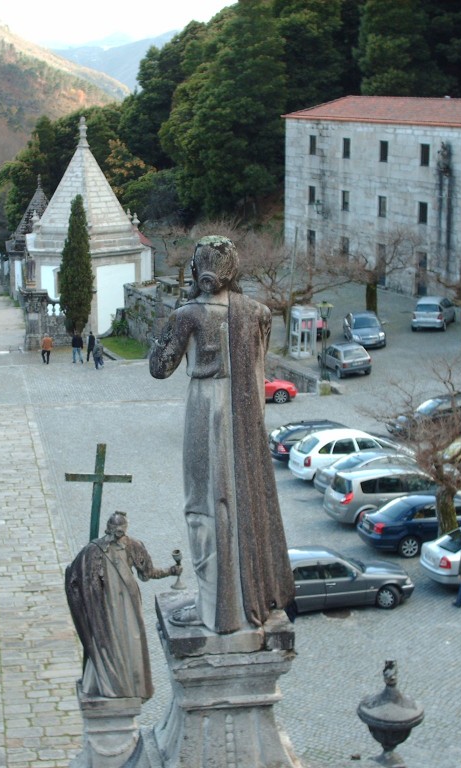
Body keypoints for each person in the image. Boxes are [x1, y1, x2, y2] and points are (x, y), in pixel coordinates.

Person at [149, 236, 295, 634]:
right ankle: (240, 600)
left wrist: (167, 322)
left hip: (205, 408)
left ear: (197, 269)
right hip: (244, 414)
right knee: (236, 502)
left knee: (201, 505)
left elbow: (159, 367)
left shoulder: (188, 315)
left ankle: (213, 606)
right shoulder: (259, 313)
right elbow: (259, 367)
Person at [64, 512, 180, 700]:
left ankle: (132, 685)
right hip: (106, 604)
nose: (117, 534)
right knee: (107, 637)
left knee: (129, 639)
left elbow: (147, 573)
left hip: (127, 602)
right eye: (114, 531)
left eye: (119, 531)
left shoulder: (133, 545)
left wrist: (170, 571)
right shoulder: (94, 549)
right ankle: (113, 680)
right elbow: (79, 575)